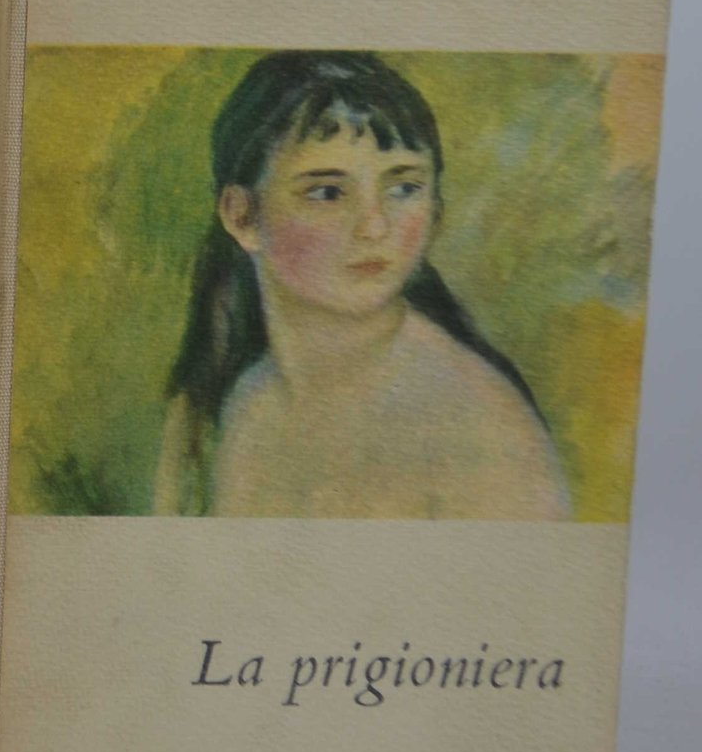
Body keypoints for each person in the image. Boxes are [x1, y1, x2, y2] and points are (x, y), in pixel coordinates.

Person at [153, 51, 570, 521]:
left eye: (403, 188)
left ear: (435, 210)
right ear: (242, 217)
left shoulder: (479, 424)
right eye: (327, 192)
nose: (374, 227)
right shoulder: (230, 408)